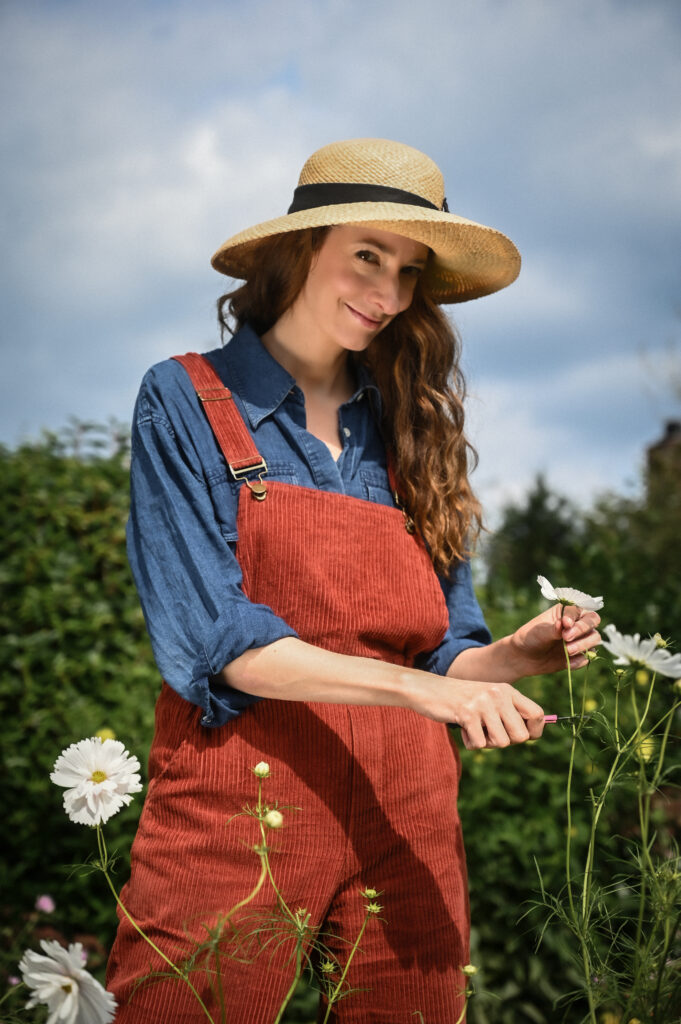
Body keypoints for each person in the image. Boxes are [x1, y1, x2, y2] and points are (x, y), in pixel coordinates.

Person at [107, 138, 600, 1023]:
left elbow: (447, 647)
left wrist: (512, 657)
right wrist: (424, 690)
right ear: (300, 249)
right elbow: (221, 640)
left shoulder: (409, 428)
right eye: (366, 256)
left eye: (408, 271)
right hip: (240, 799)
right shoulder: (185, 399)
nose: (387, 295)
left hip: (409, 807)